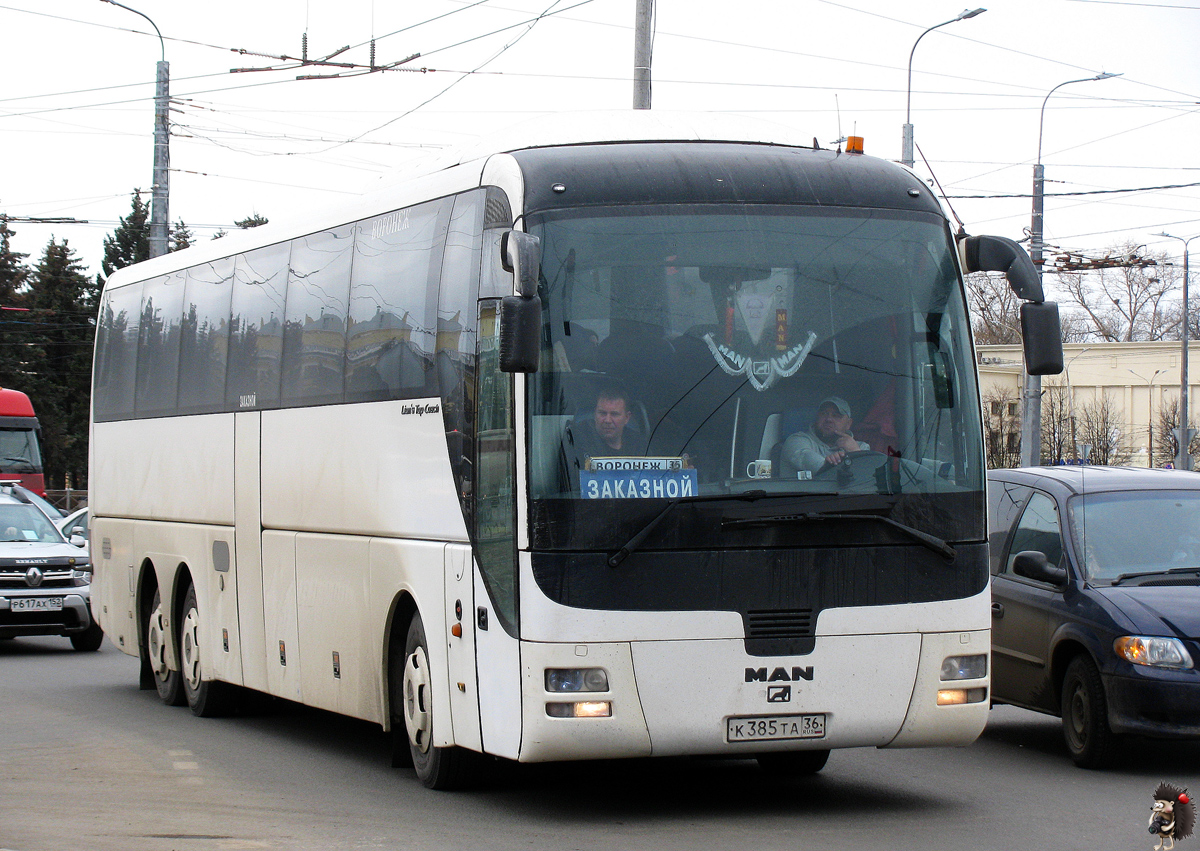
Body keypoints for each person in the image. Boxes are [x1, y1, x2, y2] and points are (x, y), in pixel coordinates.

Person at [561, 384, 647, 489]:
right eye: (602, 413)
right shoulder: (577, 437)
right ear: (594, 414)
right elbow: (572, 485)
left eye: (614, 414)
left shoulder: (638, 443)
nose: (607, 420)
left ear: (627, 418)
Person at [781, 396, 870, 476]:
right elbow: (819, 467)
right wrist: (830, 464)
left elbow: (868, 479)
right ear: (817, 417)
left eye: (836, 415)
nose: (829, 419)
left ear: (848, 423)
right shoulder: (796, 441)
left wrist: (855, 452)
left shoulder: (861, 447)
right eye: (824, 413)